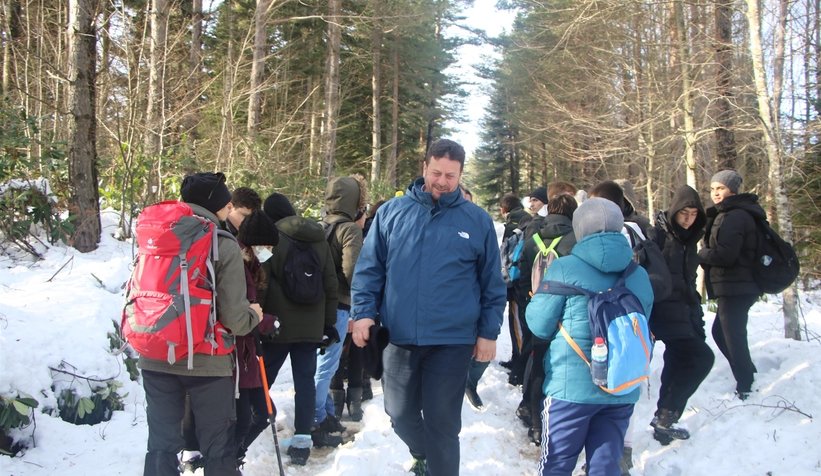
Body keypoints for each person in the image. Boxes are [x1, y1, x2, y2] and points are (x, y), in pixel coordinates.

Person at [350, 139, 507, 476]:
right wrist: (363, 313)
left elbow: (492, 284)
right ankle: (424, 454)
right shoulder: (392, 213)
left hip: (452, 341)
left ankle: (438, 465)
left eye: (451, 175)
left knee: (443, 423)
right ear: (424, 168)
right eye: (436, 172)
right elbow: (369, 269)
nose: (442, 181)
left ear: (461, 174)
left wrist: (488, 333)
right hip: (400, 337)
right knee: (399, 412)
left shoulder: (476, 221)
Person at [140, 172, 263, 476]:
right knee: (217, 447)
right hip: (207, 361)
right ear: (221, 205)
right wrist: (255, 316)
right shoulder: (222, 242)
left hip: (155, 352)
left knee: (160, 445)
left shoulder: (156, 233)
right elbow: (234, 318)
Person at [526, 198, 653, 476]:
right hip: (621, 386)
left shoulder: (564, 268)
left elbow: (539, 326)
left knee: (557, 464)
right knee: (606, 467)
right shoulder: (638, 274)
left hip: (570, 390)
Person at [260, 192, 339, 465]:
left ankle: (254, 425)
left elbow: (263, 281)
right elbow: (330, 283)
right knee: (305, 382)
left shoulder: (272, 238)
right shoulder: (319, 238)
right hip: (311, 326)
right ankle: (302, 442)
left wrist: (258, 318)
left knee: (263, 379)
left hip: (277, 324)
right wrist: (327, 323)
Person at [647, 185, 714, 444]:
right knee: (701, 358)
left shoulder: (689, 240)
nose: (688, 219)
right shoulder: (658, 236)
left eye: (693, 214)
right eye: (683, 213)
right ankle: (666, 415)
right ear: (674, 211)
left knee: (677, 362)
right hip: (663, 310)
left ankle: (664, 420)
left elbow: (688, 279)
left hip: (684, 311)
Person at [515, 193, 578, 447]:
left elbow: (521, 277)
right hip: (565, 315)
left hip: (536, 310)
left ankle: (534, 422)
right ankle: (557, 420)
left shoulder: (533, 241)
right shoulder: (575, 241)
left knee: (536, 362)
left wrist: (528, 304)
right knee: (560, 366)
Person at [698, 170, 762, 400]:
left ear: (732, 190)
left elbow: (726, 255)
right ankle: (747, 374)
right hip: (735, 285)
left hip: (737, 286)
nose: (715, 193)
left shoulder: (735, 216)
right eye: (713, 188)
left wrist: (701, 254)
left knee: (731, 334)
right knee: (722, 332)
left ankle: (746, 384)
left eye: (721, 188)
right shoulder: (729, 213)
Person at [316, 175, 367, 434]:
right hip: (338, 304)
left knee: (320, 363)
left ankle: (324, 414)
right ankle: (315, 418)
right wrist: (360, 306)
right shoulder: (350, 229)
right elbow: (353, 271)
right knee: (326, 366)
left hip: (313, 305)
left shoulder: (319, 225)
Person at [498, 192, 532, 387]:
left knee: (517, 324)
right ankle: (517, 360)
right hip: (526, 281)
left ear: (504, 208)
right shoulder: (529, 219)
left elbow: (505, 255)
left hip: (516, 282)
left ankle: (518, 366)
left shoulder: (513, 224)